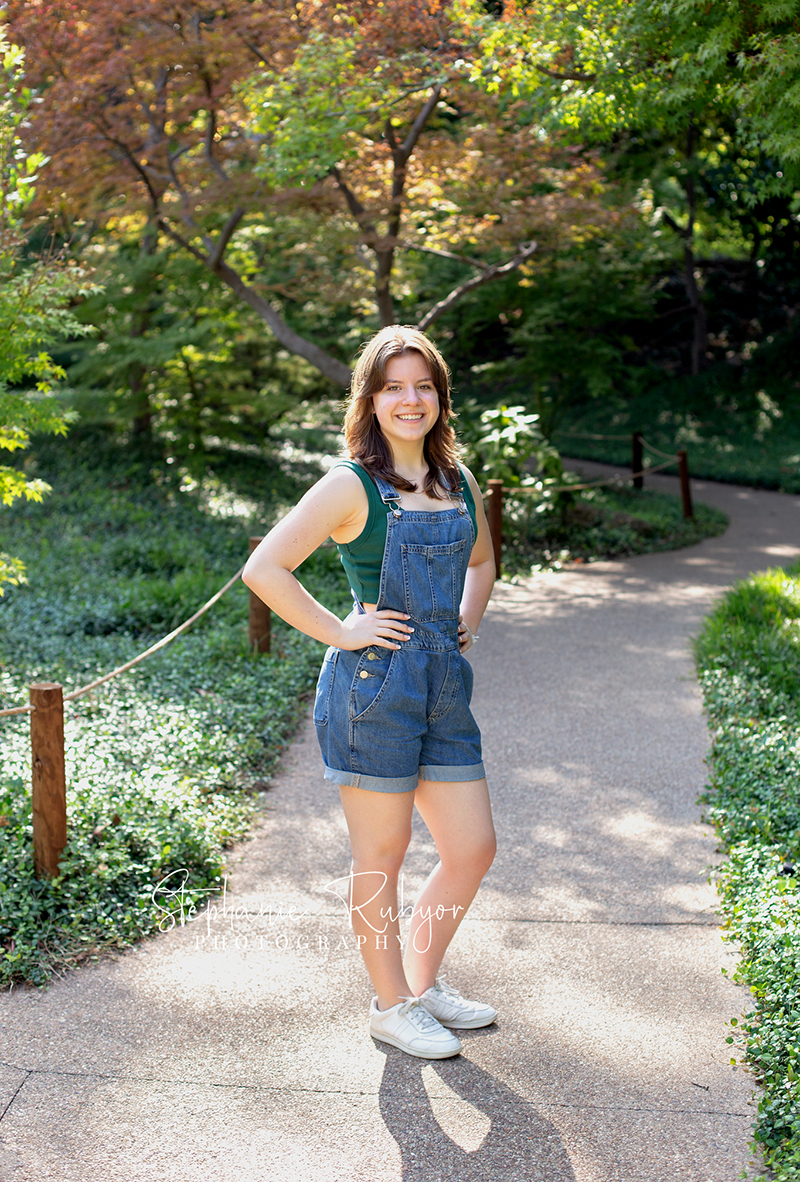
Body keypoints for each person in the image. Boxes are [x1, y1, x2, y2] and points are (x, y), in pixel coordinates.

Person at [242, 325, 497, 1060]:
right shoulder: (350, 484)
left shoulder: (458, 481)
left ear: (440, 397)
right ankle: (391, 1004)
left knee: (472, 847)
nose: (410, 399)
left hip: (445, 687)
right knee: (381, 854)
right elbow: (266, 568)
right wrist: (340, 631)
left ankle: (420, 979)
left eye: (424, 385)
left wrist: (463, 625)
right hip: (372, 690)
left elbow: (482, 564)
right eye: (394, 387)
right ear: (372, 399)